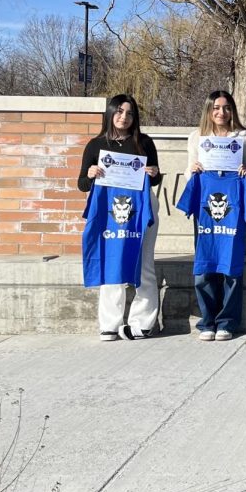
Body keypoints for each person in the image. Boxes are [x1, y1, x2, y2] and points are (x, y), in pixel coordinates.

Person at [77, 94, 161, 341]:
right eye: (119, 112)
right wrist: (91, 173)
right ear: (110, 113)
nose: (124, 117)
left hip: (141, 209)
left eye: (130, 113)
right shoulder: (96, 145)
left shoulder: (143, 142)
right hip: (109, 211)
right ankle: (109, 324)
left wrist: (154, 172)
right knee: (111, 261)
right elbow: (82, 184)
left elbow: (156, 178)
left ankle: (142, 323)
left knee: (143, 262)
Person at [183, 91, 246, 341]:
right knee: (205, 266)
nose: (221, 113)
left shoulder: (243, 137)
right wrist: (192, 170)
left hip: (232, 208)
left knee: (231, 266)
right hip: (205, 210)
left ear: (232, 110)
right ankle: (207, 321)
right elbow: (188, 174)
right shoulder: (197, 137)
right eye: (216, 108)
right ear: (208, 110)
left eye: (226, 108)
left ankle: (227, 321)